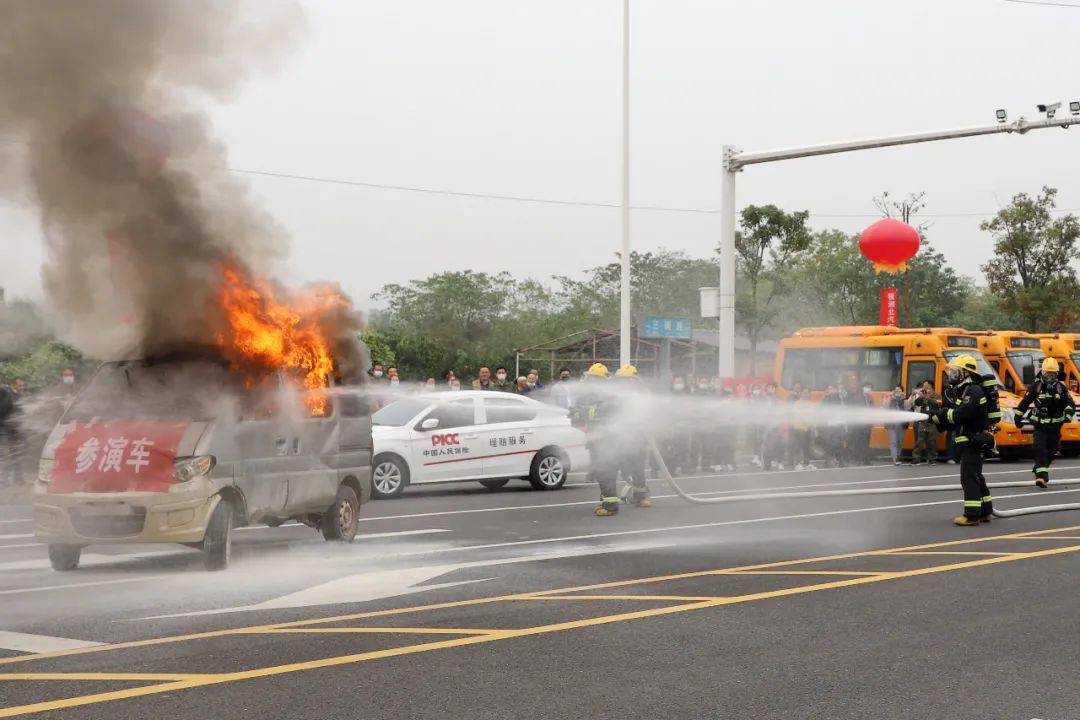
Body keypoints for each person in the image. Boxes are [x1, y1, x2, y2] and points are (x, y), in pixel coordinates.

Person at [930, 354, 993, 526]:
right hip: (969, 442)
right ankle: (985, 511)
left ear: (965, 373)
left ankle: (972, 515)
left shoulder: (973, 391)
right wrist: (937, 419)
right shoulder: (962, 391)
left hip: (974, 441)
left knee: (969, 478)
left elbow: (963, 414)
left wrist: (944, 414)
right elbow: (953, 420)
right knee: (976, 476)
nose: (952, 375)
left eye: (955, 372)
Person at [1016, 357, 1076, 489]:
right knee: (1039, 448)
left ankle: (1039, 468)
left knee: (1051, 451)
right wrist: (1017, 417)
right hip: (1040, 425)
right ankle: (1042, 476)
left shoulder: (1061, 388)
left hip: (1055, 425)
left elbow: (1070, 404)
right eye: (1047, 374)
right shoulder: (1036, 386)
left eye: (1052, 375)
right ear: (1042, 373)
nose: (1049, 378)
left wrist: (1068, 414)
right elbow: (1024, 403)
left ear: (1056, 375)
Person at [571, 363, 621, 516]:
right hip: (597, 440)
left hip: (607, 441)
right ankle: (607, 499)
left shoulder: (607, 397)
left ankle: (611, 505)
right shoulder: (592, 396)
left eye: (592, 378)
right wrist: (575, 414)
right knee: (602, 471)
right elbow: (585, 415)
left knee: (605, 471)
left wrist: (581, 415)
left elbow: (600, 416)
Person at [612, 364, 650, 506]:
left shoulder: (643, 395)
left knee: (638, 467)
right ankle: (612, 496)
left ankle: (641, 496)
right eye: (622, 381)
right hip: (618, 438)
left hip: (638, 437)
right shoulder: (612, 396)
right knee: (616, 467)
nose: (625, 384)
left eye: (628, 381)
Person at [0, 379, 26, 486]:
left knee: (16, 454)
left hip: (15, 430)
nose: (22, 387)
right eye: (20, 385)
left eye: (23, 385)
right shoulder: (6, 393)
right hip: (5, 429)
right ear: (13, 385)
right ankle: (4, 479)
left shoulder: (17, 396)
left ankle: (18, 478)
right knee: (6, 455)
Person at [909, 381, 942, 465]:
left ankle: (932, 459)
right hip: (923, 421)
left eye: (925, 386)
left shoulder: (937, 395)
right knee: (920, 440)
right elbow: (917, 403)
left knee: (932, 441)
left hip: (933, 421)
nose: (924, 388)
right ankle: (916, 458)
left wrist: (927, 398)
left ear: (930, 387)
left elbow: (938, 404)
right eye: (923, 386)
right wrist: (921, 397)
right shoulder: (922, 394)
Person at [790, 388, 815, 470]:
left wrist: (813, 426)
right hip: (799, 428)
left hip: (808, 429)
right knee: (798, 446)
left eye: (808, 393)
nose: (806, 394)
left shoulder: (810, 404)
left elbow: (813, 415)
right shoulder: (798, 404)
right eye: (804, 393)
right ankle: (797, 464)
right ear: (801, 394)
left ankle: (807, 463)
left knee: (807, 447)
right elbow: (800, 415)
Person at [884, 386, 907, 465]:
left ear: (902, 392)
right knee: (893, 441)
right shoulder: (890, 399)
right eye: (896, 390)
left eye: (899, 390)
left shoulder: (904, 400)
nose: (897, 392)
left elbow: (908, 408)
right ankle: (895, 458)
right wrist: (889, 397)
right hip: (892, 424)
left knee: (900, 441)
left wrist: (905, 399)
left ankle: (898, 456)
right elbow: (885, 407)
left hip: (901, 424)